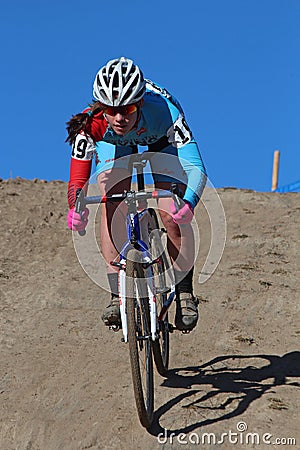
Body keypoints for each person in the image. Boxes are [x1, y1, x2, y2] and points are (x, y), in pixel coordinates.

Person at [66, 57, 207, 331]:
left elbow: (197, 169)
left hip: (160, 138)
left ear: (139, 103)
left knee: (171, 212)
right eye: (111, 109)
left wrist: (188, 202)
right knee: (110, 197)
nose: (120, 117)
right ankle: (116, 295)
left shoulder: (166, 113)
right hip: (113, 144)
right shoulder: (93, 124)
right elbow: (78, 180)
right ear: (101, 108)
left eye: (128, 108)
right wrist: (76, 207)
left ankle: (185, 291)